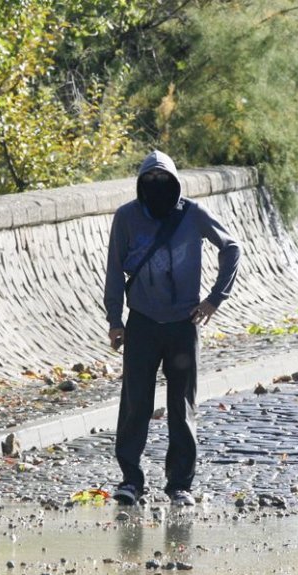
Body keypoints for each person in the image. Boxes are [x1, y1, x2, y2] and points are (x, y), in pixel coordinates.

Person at [104, 150, 241, 506]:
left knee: (182, 405)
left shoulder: (192, 215)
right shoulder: (126, 217)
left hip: (184, 324)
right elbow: (115, 270)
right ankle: (131, 481)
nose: (157, 185)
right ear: (140, 184)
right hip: (142, 324)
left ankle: (179, 484)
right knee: (135, 404)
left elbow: (231, 247)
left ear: (176, 183)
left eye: (163, 180)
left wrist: (215, 298)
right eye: (150, 180)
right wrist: (115, 320)